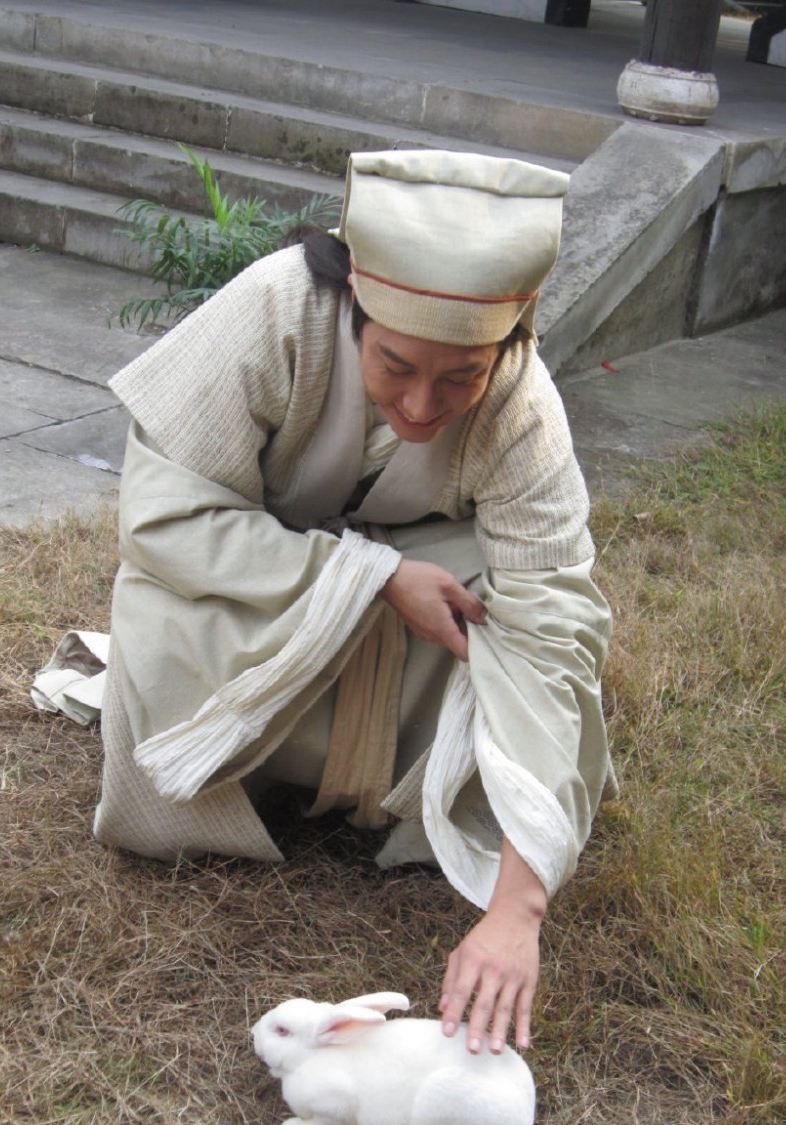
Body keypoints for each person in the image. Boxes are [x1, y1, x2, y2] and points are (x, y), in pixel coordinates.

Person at [96, 150, 613, 1059]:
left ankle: (404, 791)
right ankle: (252, 771)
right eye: (396, 365)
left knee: (502, 627)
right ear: (353, 309)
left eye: (463, 378)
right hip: (255, 588)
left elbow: (552, 629)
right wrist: (370, 577)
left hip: (416, 603)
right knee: (163, 620)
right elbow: (163, 522)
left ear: (512, 343)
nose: (423, 405)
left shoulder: (522, 400)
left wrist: (519, 908)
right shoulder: (275, 309)